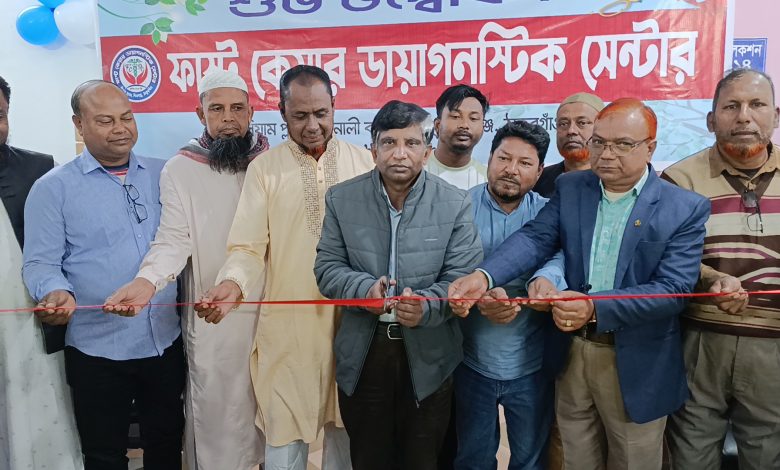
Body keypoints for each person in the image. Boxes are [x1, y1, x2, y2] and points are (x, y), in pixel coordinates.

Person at [448, 98, 710, 470]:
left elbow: (673, 289)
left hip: (636, 359)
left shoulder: (683, 207)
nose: (606, 153)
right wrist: (483, 276)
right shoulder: (573, 187)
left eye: (623, 144)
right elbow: (536, 238)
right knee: (575, 459)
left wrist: (593, 306)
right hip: (571, 354)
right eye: (599, 142)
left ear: (650, 147)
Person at [195, 65, 373, 470]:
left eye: (321, 113)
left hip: (353, 322)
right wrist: (231, 284)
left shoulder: (364, 163)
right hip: (290, 328)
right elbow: (247, 246)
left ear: (335, 107)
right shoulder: (266, 169)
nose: (312, 125)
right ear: (281, 112)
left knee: (349, 431)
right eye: (300, 115)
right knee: (284, 435)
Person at [103, 69, 269, 470]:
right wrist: (147, 281)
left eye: (237, 108)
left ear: (251, 112)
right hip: (215, 313)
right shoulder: (181, 169)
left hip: (272, 310)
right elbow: (173, 239)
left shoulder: (271, 162)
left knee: (270, 417)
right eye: (217, 109)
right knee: (218, 421)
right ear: (200, 114)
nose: (228, 119)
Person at [23, 80, 185, 470]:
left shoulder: (164, 174)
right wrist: (56, 292)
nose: (120, 129)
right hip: (97, 350)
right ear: (79, 124)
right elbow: (40, 263)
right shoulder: (53, 189)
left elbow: (180, 242)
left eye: (126, 118)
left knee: (166, 445)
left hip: (164, 341)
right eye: (105, 121)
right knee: (103, 455)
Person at [314, 100, 482, 470]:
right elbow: (326, 269)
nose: (400, 153)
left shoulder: (454, 202)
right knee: (369, 458)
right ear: (373, 150)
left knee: (422, 459)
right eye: (389, 143)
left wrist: (427, 306)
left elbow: (461, 276)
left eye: (411, 143)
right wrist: (364, 290)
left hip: (430, 356)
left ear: (427, 150)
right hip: (364, 354)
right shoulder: (342, 199)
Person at [663, 68, 780, 470]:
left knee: (767, 455)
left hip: (774, 344)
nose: (744, 116)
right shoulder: (678, 180)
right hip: (699, 341)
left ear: (775, 116)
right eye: (731, 107)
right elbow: (669, 259)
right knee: (691, 455)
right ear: (712, 120)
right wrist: (712, 279)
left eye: (756, 105)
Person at [455, 120, 566, 470]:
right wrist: (478, 297)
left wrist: (546, 279)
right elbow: (446, 269)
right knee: (472, 459)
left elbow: (561, 256)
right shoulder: (458, 208)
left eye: (524, 163)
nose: (511, 170)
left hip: (531, 366)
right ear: (489, 159)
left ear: (540, 171)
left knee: (530, 461)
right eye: (503, 158)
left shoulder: (549, 213)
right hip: (470, 362)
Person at [0, 75, 82, 470]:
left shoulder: (39, 170)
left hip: (27, 323)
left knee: (35, 418)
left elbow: (66, 248)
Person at [533, 92, 604, 198]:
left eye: (582, 123)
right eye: (563, 124)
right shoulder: (537, 180)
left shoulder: (615, 179)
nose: (571, 131)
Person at [426, 84, 489, 189]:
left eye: (473, 118)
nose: (464, 125)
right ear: (437, 125)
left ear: (483, 127)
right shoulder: (414, 171)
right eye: (455, 116)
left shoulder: (487, 181)